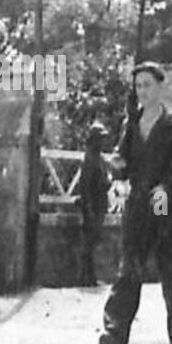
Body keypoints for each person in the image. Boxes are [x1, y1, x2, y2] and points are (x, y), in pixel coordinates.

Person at [98, 62, 172, 344]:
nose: (143, 91)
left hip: (163, 201)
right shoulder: (131, 124)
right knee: (129, 268)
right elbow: (125, 163)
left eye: (148, 85)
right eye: (138, 86)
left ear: (160, 87)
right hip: (140, 203)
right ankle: (116, 336)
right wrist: (117, 165)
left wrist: (169, 188)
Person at [77, 122, 112, 286]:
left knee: (93, 240)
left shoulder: (99, 159)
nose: (103, 142)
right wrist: (88, 208)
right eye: (100, 139)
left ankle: (90, 276)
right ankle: (86, 276)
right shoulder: (90, 159)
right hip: (93, 205)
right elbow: (85, 185)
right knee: (89, 242)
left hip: (99, 204)